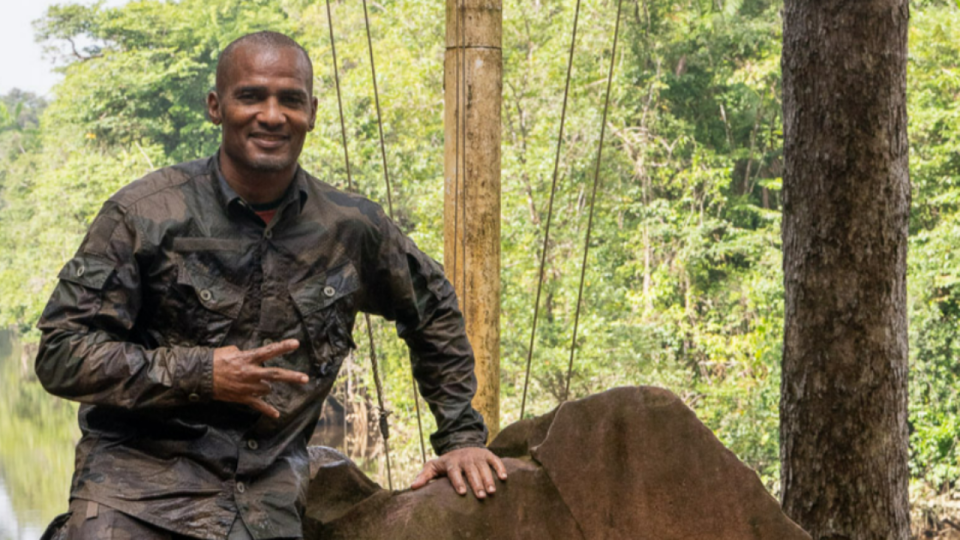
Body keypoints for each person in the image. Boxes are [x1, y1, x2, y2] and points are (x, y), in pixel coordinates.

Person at [35, 31, 506, 540]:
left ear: (313, 113)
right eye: (251, 96)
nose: (272, 115)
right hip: (136, 493)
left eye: (291, 100)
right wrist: (201, 372)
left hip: (265, 500)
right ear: (216, 107)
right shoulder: (145, 215)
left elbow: (431, 306)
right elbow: (61, 353)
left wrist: (459, 436)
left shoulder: (350, 228)